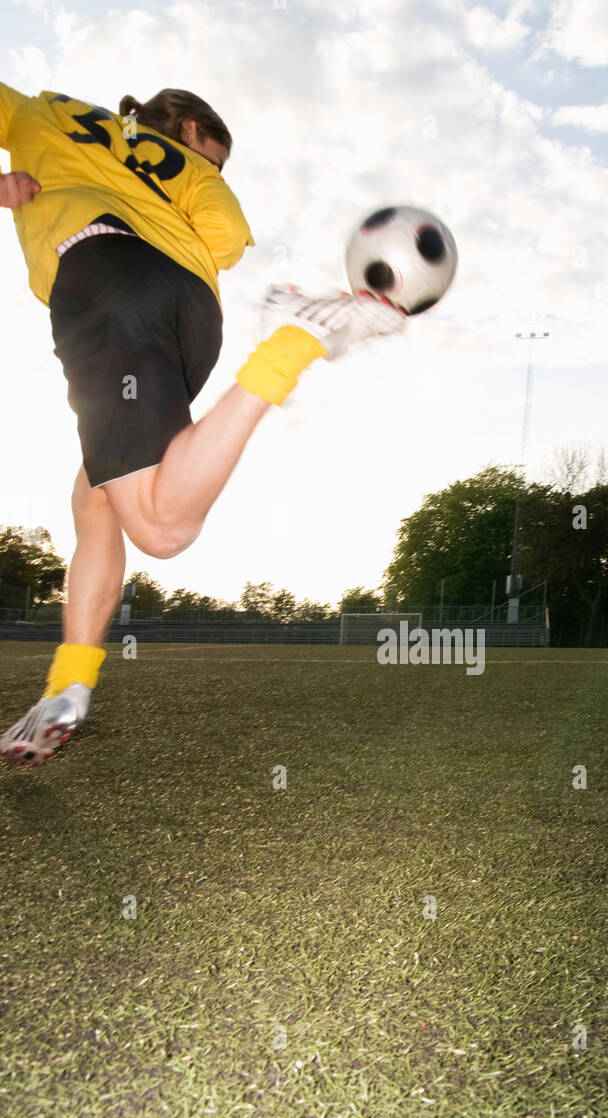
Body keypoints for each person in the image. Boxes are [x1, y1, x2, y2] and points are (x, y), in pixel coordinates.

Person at [0, 83, 404, 767]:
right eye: (214, 160)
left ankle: (296, 343)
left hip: (105, 278)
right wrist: (189, 186)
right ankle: (68, 688)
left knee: (159, 527)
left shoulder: (46, 113)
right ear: (189, 130)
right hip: (189, 316)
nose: (214, 173)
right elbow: (222, 242)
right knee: (95, 497)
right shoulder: (189, 170)